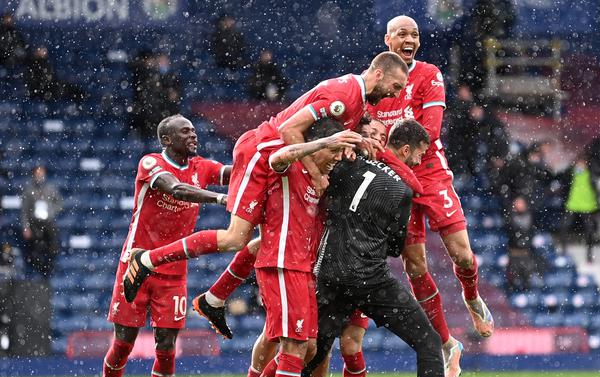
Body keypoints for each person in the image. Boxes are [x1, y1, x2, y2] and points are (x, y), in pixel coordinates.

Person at [249, 119, 483, 377]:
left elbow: (323, 202)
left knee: (311, 353)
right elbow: (393, 246)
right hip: (369, 278)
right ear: (404, 150)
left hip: (330, 275)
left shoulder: (347, 165)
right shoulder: (403, 189)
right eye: (418, 154)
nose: (419, 161)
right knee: (428, 342)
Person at [121, 51, 409, 306]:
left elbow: (324, 136)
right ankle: (148, 259)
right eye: (395, 87)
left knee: (273, 240)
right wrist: (316, 174)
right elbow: (288, 131)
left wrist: (358, 144)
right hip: (261, 154)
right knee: (236, 237)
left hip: (285, 164)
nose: (394, 95)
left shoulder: (357, 102)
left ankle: (214, 299)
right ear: (378, 73)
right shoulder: (343, 94)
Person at [91, 115, 231, 377]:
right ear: (167, 140)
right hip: (135, 265)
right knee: (123, 343)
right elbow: (175, 188)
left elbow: (232, 173)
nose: (193, 135)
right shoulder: (151, 162)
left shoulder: (202, 167)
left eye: (194, 130)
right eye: (185, 132)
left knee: (166, 348)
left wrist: (258, 163)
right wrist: (220, 199)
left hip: (173, 273)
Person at [222, 119, 362, 377]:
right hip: (282, 262)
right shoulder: (290, 164)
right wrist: (319, 145)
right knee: (294, 345)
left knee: (311, 348)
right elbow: (277, 158)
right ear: (317, 143)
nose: (336, 157)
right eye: (333, 150)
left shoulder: (322, 180)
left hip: (302, 267)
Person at [370, 15, 494, 377]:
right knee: (415, 267)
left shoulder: (428, 74)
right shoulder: (374, 80)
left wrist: (385, 142)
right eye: (402, 33)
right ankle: (447, 343)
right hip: (396, 182)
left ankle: (472, 297)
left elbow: (430, 133)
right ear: (387, 39)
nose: (410, 39)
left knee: (462, 255)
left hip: (429, 174)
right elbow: (367, 134)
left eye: (415, 34)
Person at [21, 165, 62, 278]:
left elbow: (59, 204)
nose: (40, 176)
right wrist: (26, 227)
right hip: (35, 223)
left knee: (52, 247)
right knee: (35, 250)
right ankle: (38, 271)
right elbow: (24, 211)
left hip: (48, 222)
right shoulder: (29, 191)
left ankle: (48, 270)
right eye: (37, 174)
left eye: (41, 174)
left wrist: (51, 211)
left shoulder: (50, 189)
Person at [557, 156, 600, 263]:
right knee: (564, 227)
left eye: (582, 163)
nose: (580, 165)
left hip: (588, 205)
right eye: (578, 163)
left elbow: (596, 187)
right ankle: (563, 251)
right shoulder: (570, 174)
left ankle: (589, 255)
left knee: (589, 231)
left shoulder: (591, 174)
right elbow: (563, 181)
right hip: (572, 204)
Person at [130, 53, 181, 138]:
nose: (161, 63)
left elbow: (174, 96)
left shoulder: (173, 77)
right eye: (159, 61)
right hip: (151, 117)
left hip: (165, 114)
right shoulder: (149, 76)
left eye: (163, 60)